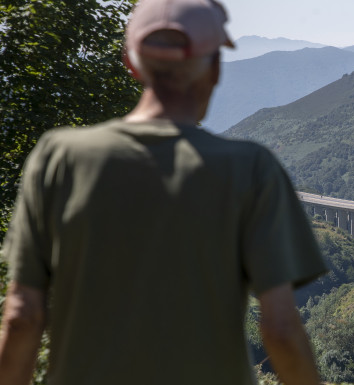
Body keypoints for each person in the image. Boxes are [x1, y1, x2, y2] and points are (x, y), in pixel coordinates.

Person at [0, 0, 327, 384]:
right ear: (215, 68)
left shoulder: (59, 157)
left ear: (130, 63)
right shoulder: (251, 168)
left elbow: (22, 316)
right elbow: (281, 330)